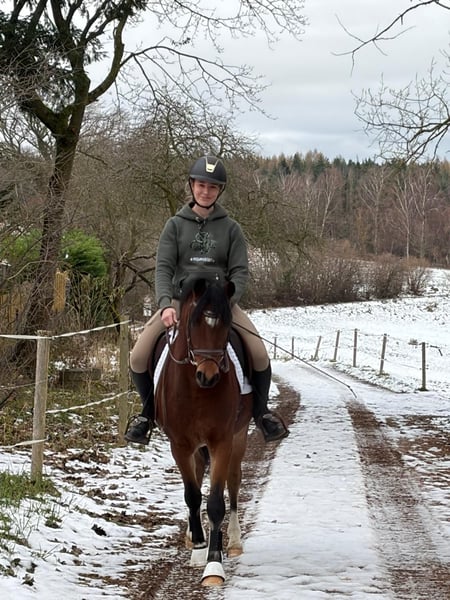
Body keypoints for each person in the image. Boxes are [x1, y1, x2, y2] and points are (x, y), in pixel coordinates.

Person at [125, 155, 289, 445]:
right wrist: (165, 304)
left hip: (221, 303)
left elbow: (240, 271)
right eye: (201, 185)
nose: (206, 191)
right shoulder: (175, 225)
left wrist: (228, 301)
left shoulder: (231, 228)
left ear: (219, 191)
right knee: (138, 356)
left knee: (259, 354)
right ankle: (147, 415)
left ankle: (261, 413)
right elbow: (163, 268)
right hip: (180, 301)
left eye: (212, 187)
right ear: (192, 186)